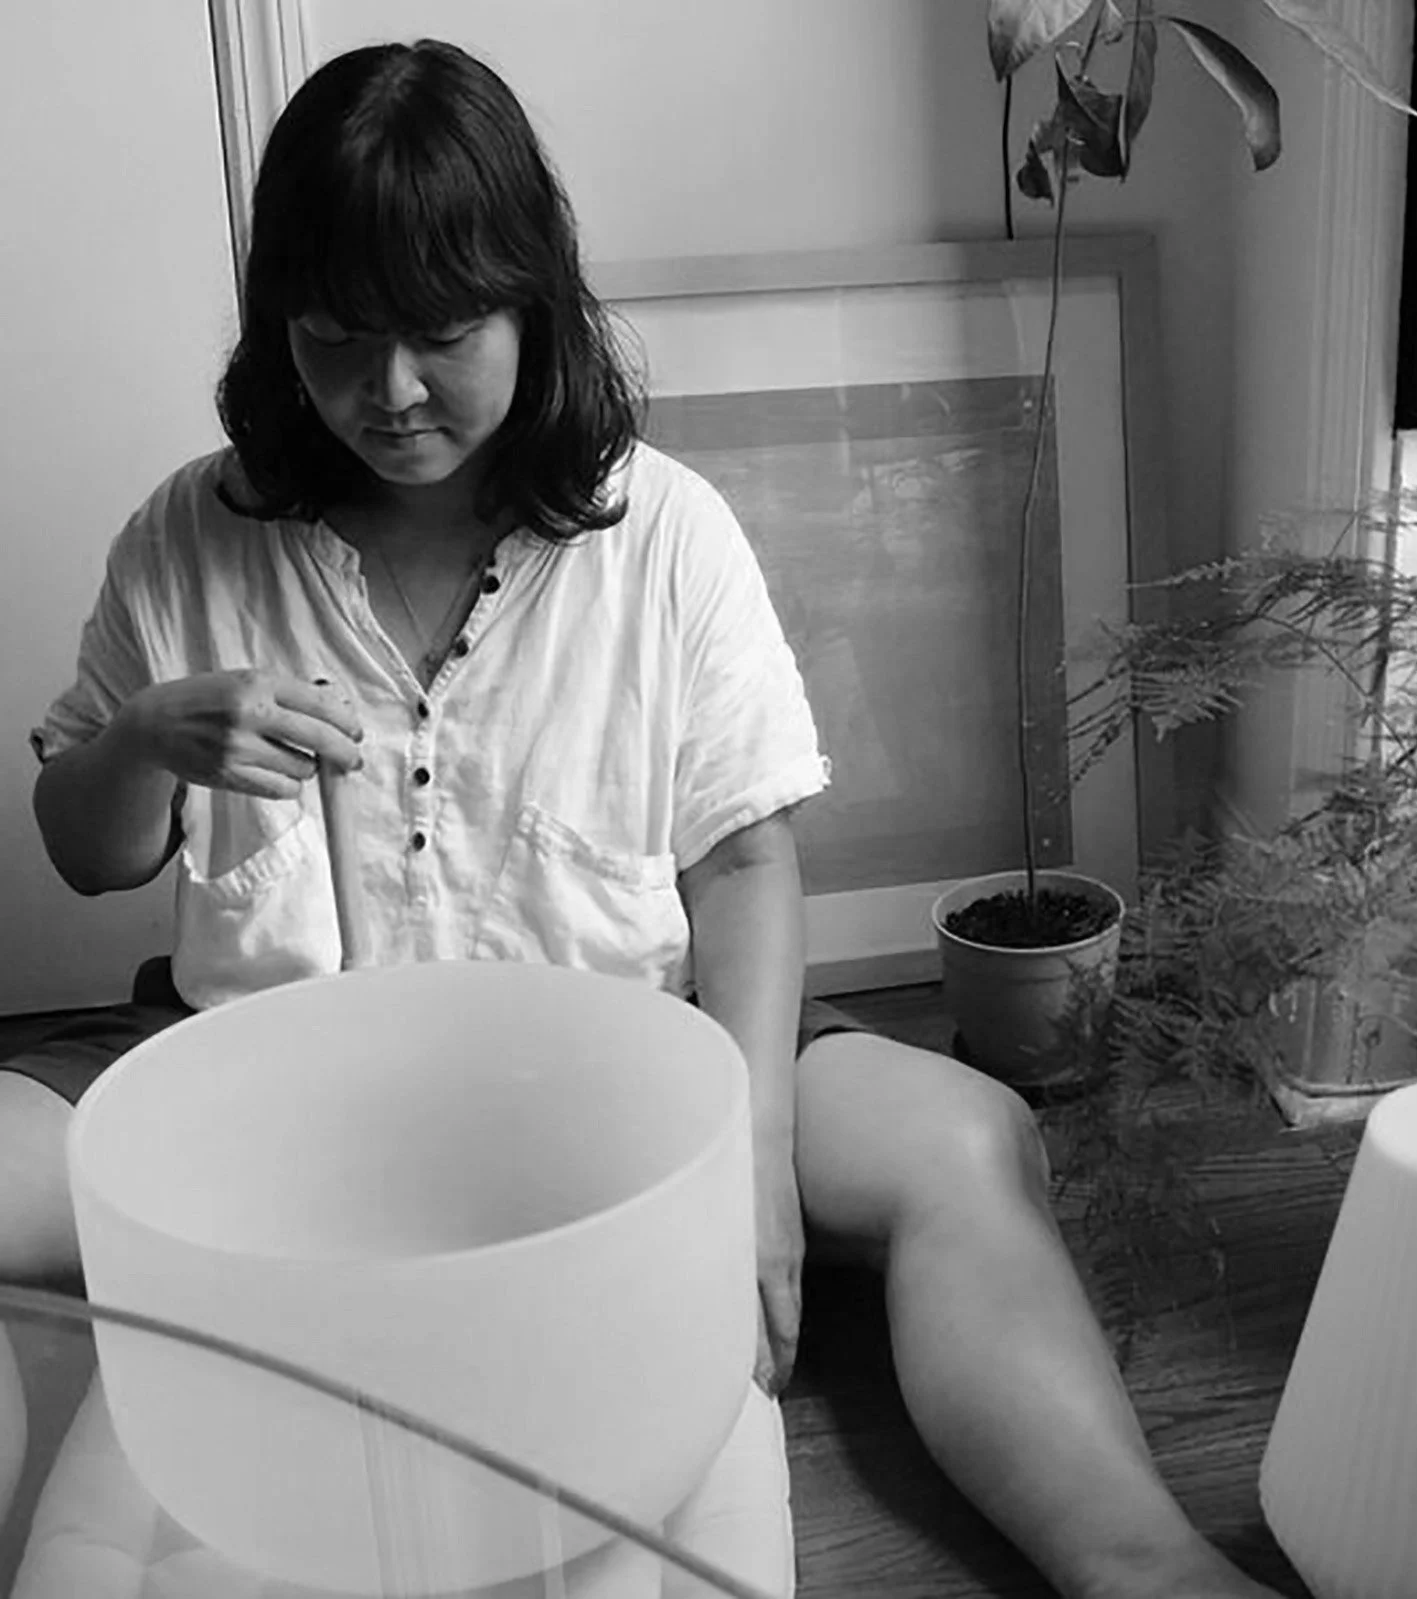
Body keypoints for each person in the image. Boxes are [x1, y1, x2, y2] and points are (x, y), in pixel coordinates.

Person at [0, 37, 1280, 1599]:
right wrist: (146, 735)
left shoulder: (660, 532)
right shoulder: (190, 538)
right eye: (335, 342)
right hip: (273, 1146)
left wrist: (743, 1174)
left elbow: (744, 859)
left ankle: (1136, 1559)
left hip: (617, 1112)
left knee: (958, 1133)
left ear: (532, 303)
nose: (388, 395)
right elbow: (88, 844)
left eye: (440, 337)